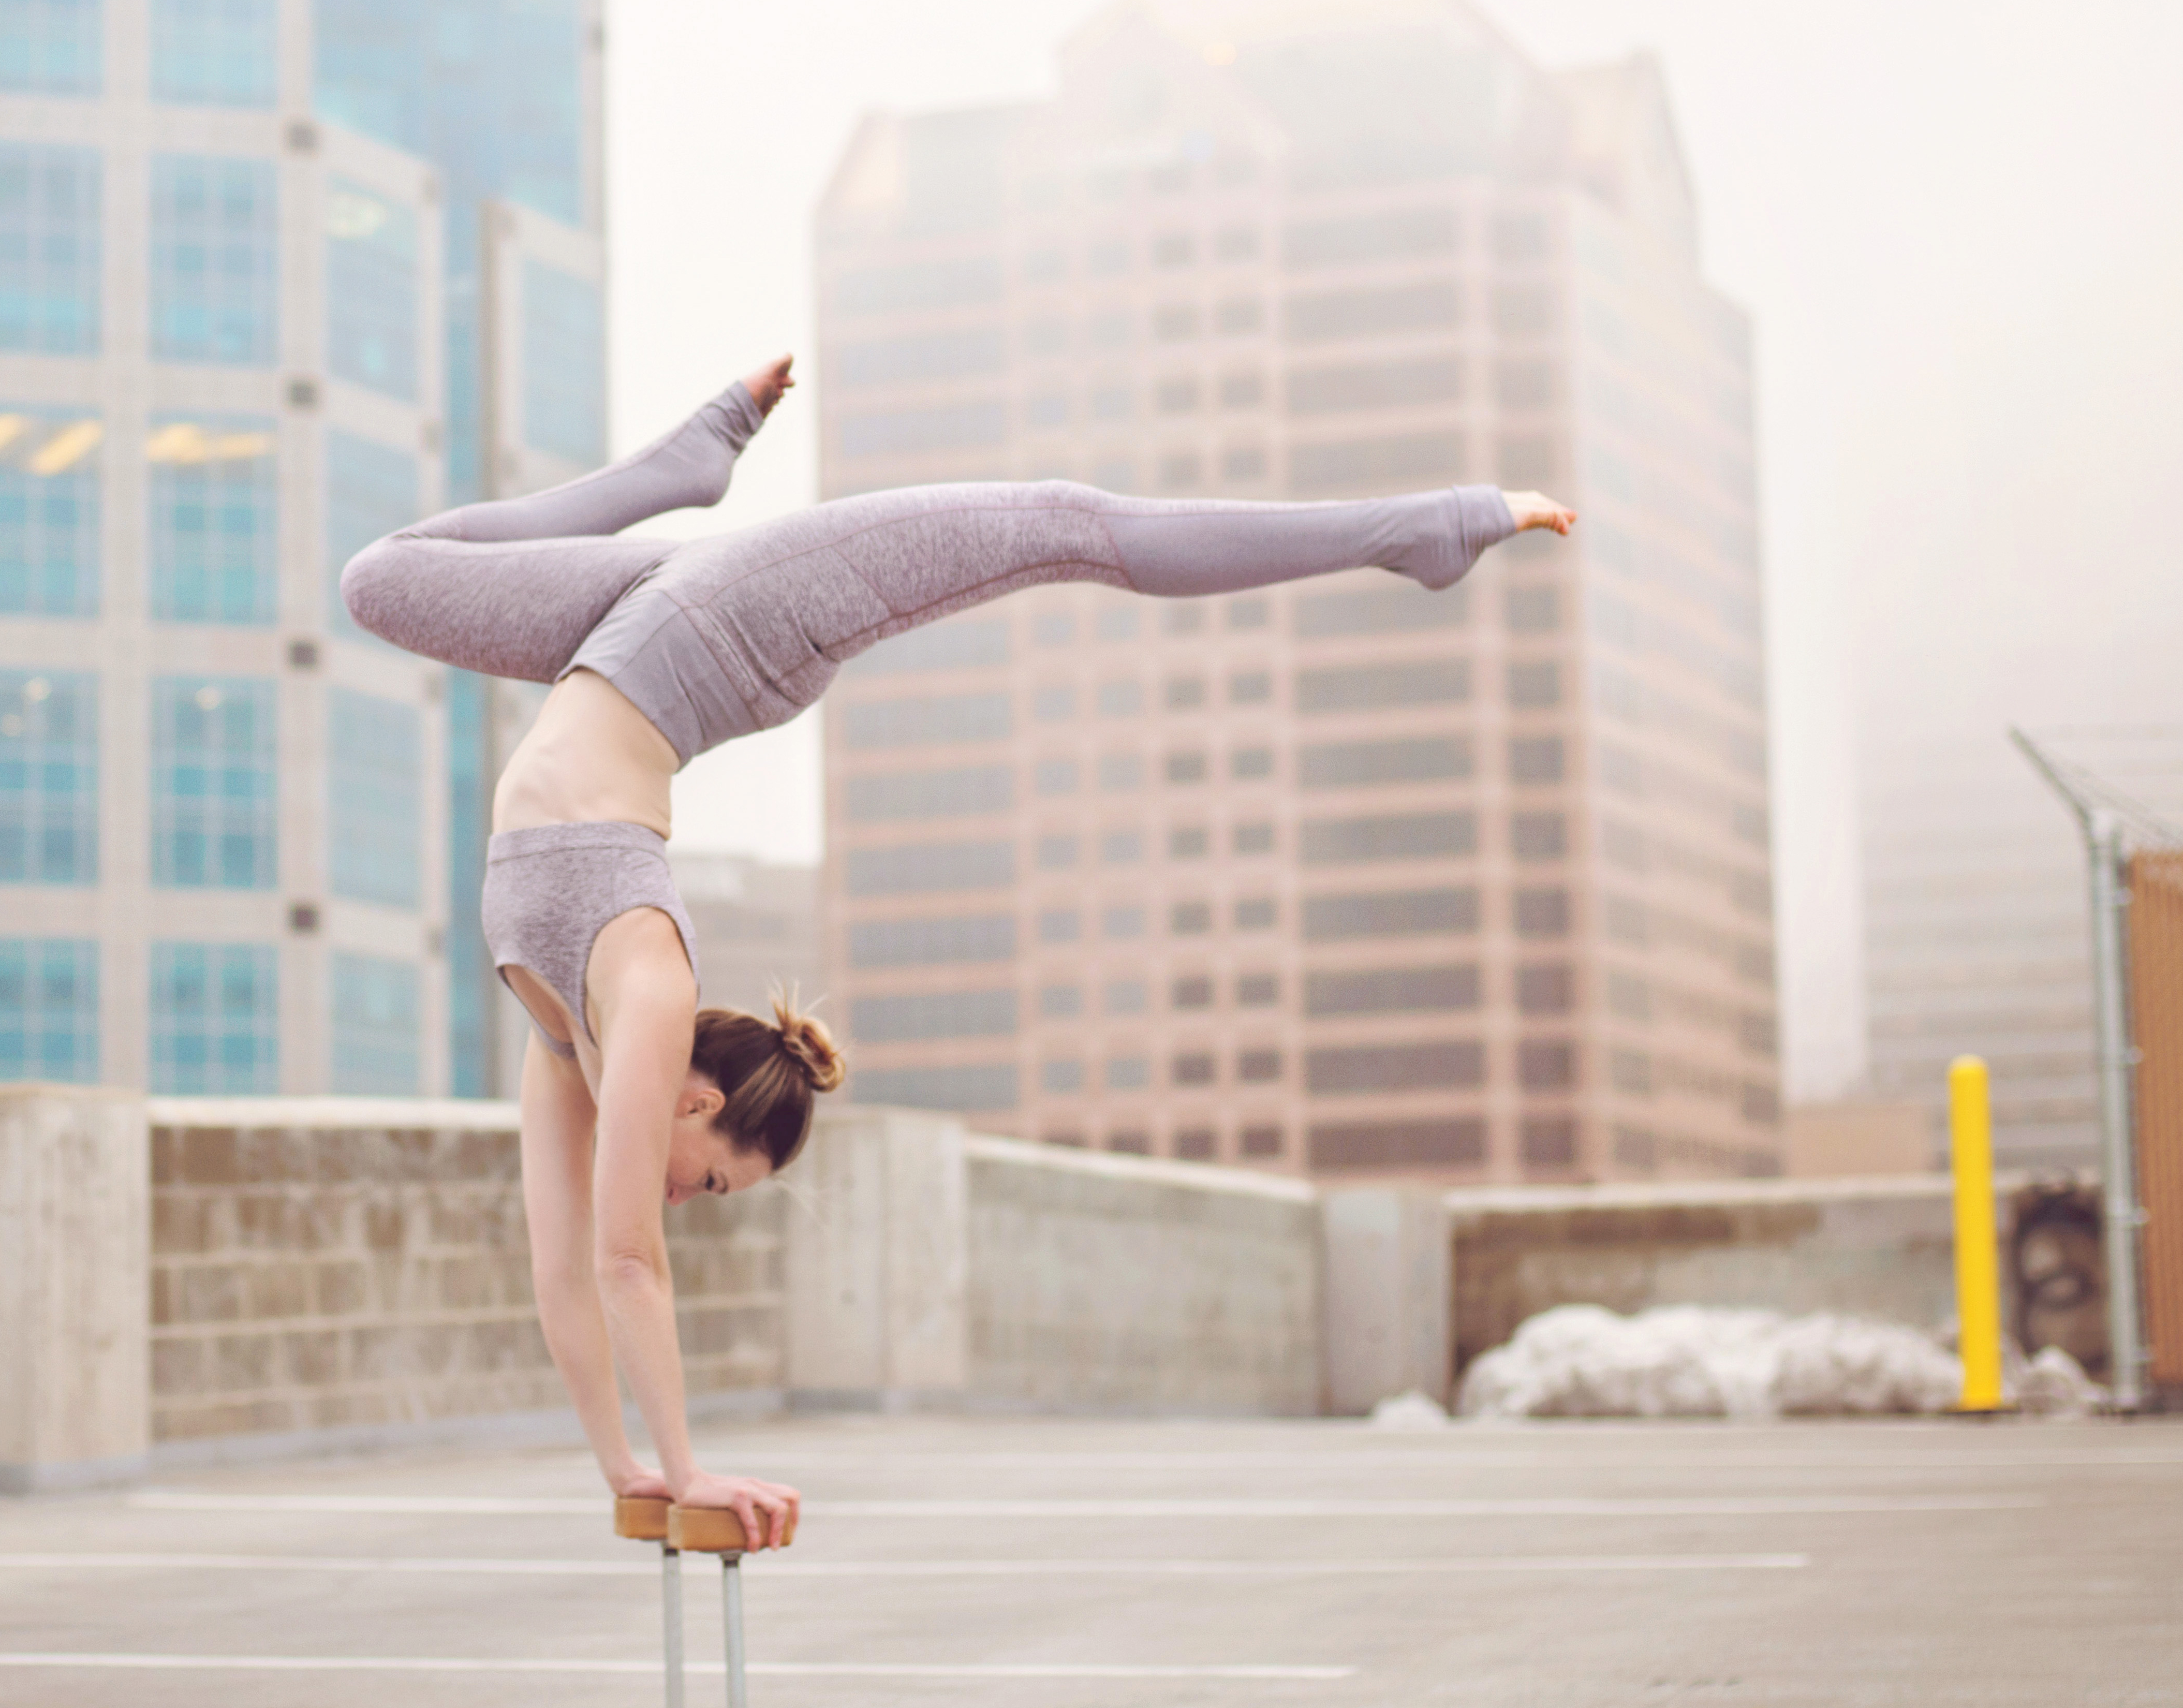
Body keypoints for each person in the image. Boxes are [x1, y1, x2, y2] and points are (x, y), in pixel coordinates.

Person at [340, 357, 1574, 1549]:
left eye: (701, 1200)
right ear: (699, 1099)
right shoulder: (648, 992)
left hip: (642, 632)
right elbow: (614, 1262)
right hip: (732, 612)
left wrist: (640, 1469)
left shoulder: (569, 1036)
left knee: (389, 579)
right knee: (1058, 523)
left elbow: (570, 1269)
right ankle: (1425, 526)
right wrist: (670, 1468)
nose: (682, 1201)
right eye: (709, 1180)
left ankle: (1429, 526)